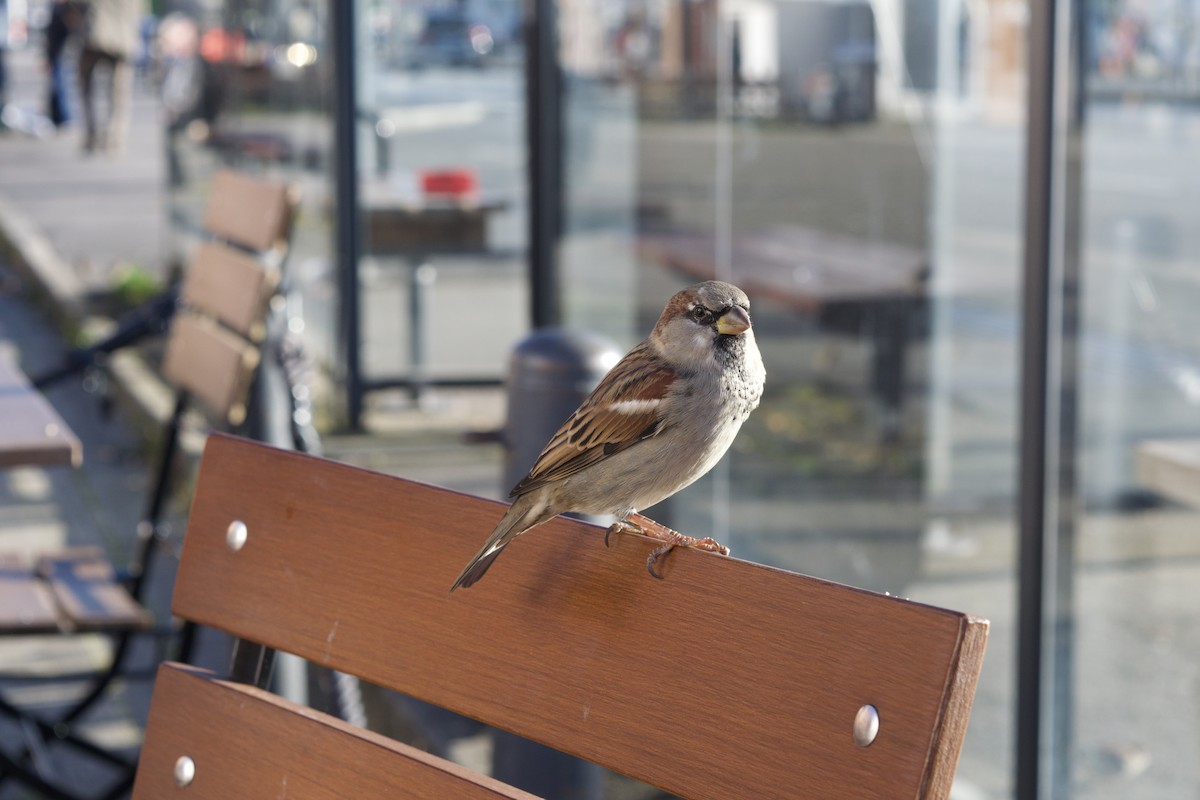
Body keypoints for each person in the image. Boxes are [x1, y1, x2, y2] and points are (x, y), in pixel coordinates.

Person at [77, 0, 142, 152]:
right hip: (121, 35)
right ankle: (114, 138)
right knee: (119, 92)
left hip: (95, 32)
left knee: (89, 87)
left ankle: (93, 134)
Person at [45, 0, 81, 128]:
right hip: (56, 53)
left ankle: (65, 116)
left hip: (62, 54)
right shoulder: (57, 9)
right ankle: (58, 116)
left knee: (62, 85)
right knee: (57, 85)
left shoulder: (66, 10)